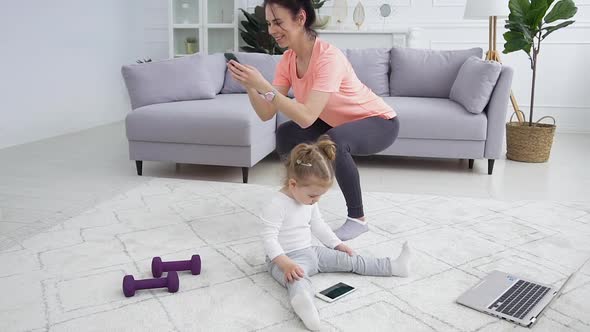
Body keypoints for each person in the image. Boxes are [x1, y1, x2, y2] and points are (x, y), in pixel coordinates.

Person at [227, 0, 400, 241]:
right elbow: (267, 112)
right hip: (334, 122)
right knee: (287, 133)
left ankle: (358, 220)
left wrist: (265, 87)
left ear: (300, 18)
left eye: (278, 22)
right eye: (268, 23)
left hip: (378, 121)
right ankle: (299, 201)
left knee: (335, 141)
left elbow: (307, 115)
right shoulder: (288, 59)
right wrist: (250, 87)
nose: (271, 30)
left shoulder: (329, 58)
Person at [259, 135, 410, 331]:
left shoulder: (310, 201)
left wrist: (337, 245)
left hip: (311, 251)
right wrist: (286, 264)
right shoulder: (276, 205)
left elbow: (319, 225)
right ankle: (305, 305)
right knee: (297, 280)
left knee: (350, 259)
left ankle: (393, 266)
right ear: (293, 184)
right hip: (283, 260)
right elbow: (269, 239)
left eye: (320, 196)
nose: (316, 200)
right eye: (313, 195)